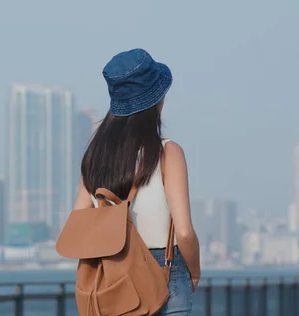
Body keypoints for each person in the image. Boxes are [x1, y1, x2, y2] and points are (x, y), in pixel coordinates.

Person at [73, 48, 201, 315]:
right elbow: (185, 231)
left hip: (111, 273)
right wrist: (195, 271)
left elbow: (78, 219)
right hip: (165, 270)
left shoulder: (95, 155)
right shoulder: (167, 152)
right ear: (158, 99)